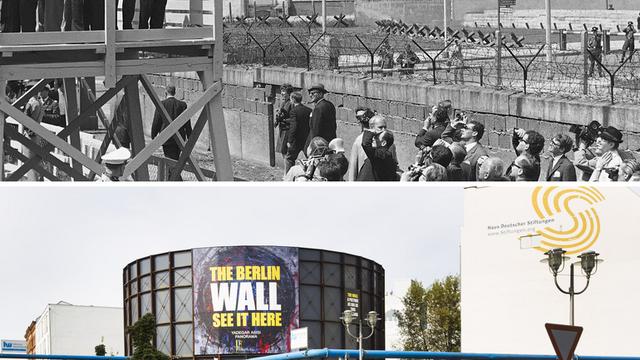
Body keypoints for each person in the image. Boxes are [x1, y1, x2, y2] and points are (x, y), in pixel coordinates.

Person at [151, 85, 192, 181]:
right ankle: (173, 178)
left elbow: (157, 121)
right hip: (180, 138)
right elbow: (187, 122)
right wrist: (190, 136)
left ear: (165, 92)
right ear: (175, 92)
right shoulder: (182, 105)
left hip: (167, 138)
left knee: (169, 159)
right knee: (175, 159)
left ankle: (174, 179)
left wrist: (154, 135)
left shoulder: (162, 104)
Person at [349, 113, 398, 181]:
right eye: (380, 127)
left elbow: (394, 163)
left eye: (385, 127)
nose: (383, 130)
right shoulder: (359, 141)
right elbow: (353, 165)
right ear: (372, 128)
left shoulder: (388, 143)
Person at [284, 92, 311, 174]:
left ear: (293, 99)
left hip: (296, 139)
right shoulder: (309, 110)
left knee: (289, 158)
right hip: (306, 138)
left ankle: (289, 176)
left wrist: (289, 140)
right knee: (310, 158)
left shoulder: (293, 111)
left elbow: (293, 127)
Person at [275, 84, 294, 176]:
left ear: (289, 93)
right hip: (282, 129)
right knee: (283, 152)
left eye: (284, 92)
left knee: (286, 153)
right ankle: (286, 173)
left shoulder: (291, 103)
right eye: (282, 91)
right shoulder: (284, 102)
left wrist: (283, 119)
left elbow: (293, 119)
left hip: (287, 130)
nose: (282, 93)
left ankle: (287, 174)